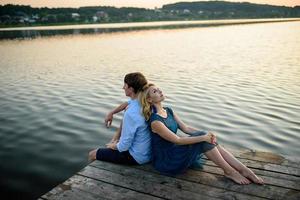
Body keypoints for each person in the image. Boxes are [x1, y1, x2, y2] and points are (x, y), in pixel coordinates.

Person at [139, 83, 264, 185]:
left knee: (207, 137)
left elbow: (186, 128)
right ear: (149, 99)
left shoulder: (168, 110)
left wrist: (207, 134)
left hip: (176, 150)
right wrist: (203, 137)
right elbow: (177, 140)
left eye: (159, 89)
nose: (160, 91)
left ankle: (244, 170)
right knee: (204, 139)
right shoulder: (155, 121)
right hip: (167, 159)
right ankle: (230, 171)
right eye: (155, 91)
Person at [88, 72, 151, 165]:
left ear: (131, 89)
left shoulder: (131, 113)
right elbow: (127, 103)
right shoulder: (143, 101)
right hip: (146, 152)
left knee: (92, 154)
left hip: (136, 157)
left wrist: (113, 146)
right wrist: (112, 112)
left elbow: (124, 146)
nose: (123, 87)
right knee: (126, 111)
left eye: (125, 85)